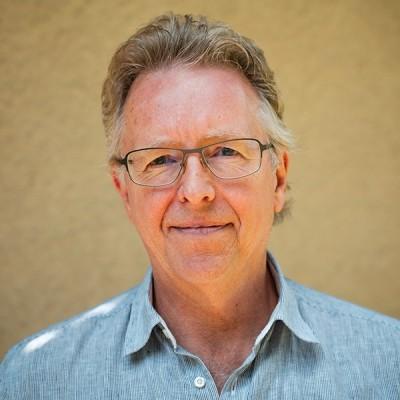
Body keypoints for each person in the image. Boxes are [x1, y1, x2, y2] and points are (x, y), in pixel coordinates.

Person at [1, 13, 399, 399]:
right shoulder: (34, 380)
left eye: (226, 151)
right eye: (160, 159)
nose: (195, 191)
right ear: (124, 192)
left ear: (278, 178)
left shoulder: (388, 364)